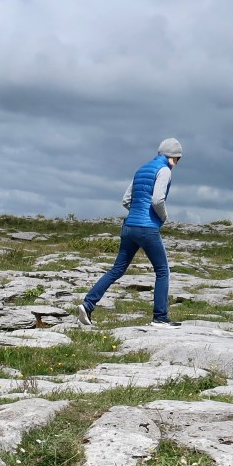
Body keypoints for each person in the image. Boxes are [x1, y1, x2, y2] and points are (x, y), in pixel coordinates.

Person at [77, 138, 183, 327]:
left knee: (117, 269)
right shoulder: (164, 170)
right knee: (162, 271)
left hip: (129, 227)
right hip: (148, 228)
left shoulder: (141, 169)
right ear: (173, 157)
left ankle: (88, 304)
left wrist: (136, 214)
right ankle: (160, 316)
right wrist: (163, 217)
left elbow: (126, 200)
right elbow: (158, 200)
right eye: (178, 159)